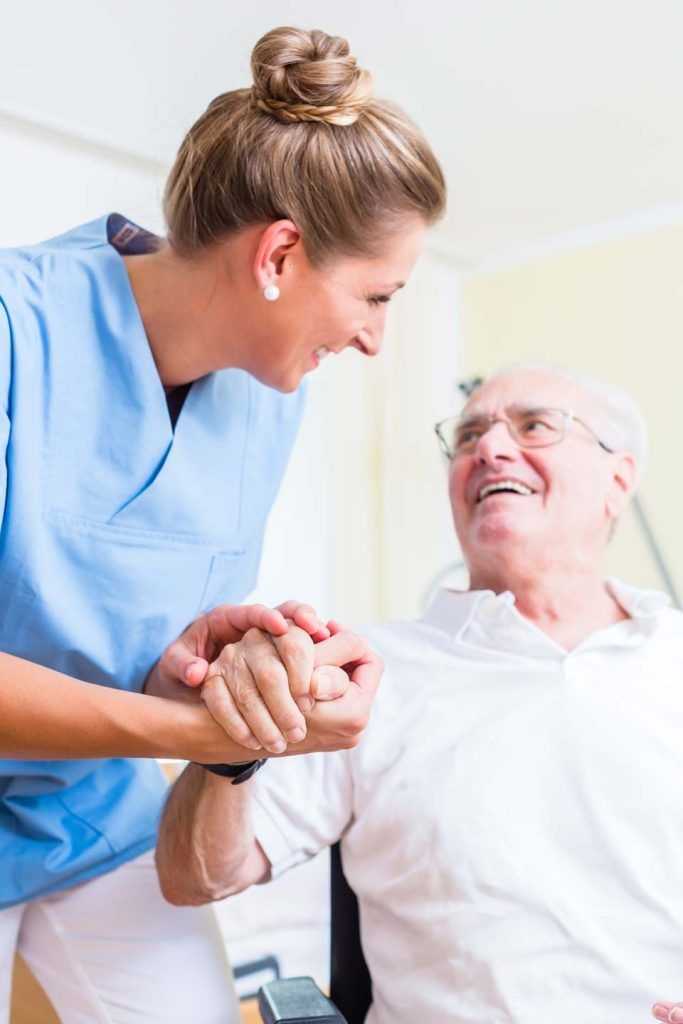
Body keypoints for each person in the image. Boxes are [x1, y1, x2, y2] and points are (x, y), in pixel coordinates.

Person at [0, 25, 445, 1024]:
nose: (374, 337)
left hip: (85, 815)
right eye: (375, 296)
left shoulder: (267, 395)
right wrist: (205, 732)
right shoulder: (13, 328)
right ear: (281, 254)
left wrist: (246, 670)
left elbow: (145, 638)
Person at [158, 363, 683, 1024]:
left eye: (534, 426)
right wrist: (229, 742)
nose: (487, 448)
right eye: (467, 435)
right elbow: (192, 877)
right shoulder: (360, 671)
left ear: (617, 481)